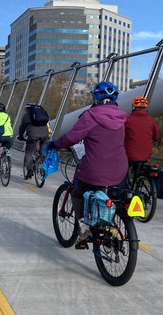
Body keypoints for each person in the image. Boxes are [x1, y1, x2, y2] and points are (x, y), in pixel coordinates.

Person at [46, 81, 128, 248]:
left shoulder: (90, 116)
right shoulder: (122, 117)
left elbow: (72, 137)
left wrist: (56, 144)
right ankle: (111, 223)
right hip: (120, 169)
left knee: (78, 193)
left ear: (95, 98)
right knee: (115, 195)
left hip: (95, 169)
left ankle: (84, 229)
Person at [125, 96, 160, 169]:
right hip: (145, 154)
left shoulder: (127, 120)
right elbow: (156, 137)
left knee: (122, 172)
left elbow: (121, 135)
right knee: (141, 170)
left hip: (129, 154)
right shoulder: (151, 120)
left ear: (134, 107)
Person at [18, 102, 50, 180]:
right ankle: (43, 159)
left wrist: (21, 136)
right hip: (45, 134)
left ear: (27, 109)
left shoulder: (27, 115)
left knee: (29, 152)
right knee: (43, 147)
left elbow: (22, 127)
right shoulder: (41, 114)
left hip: (33, 135)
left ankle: (30, 170)